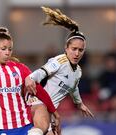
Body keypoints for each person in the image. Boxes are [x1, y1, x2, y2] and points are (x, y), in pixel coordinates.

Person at [25, 7, 94, 135]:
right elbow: (42, 72)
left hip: (50, 109)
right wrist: (31, 78)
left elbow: (73, 88)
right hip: (38, 101)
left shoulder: (78, 71)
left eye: (80, 50)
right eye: (74, 49)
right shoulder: (59, 61)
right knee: (41, 127)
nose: (77, 53)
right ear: (66, 48)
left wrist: (79, 104)